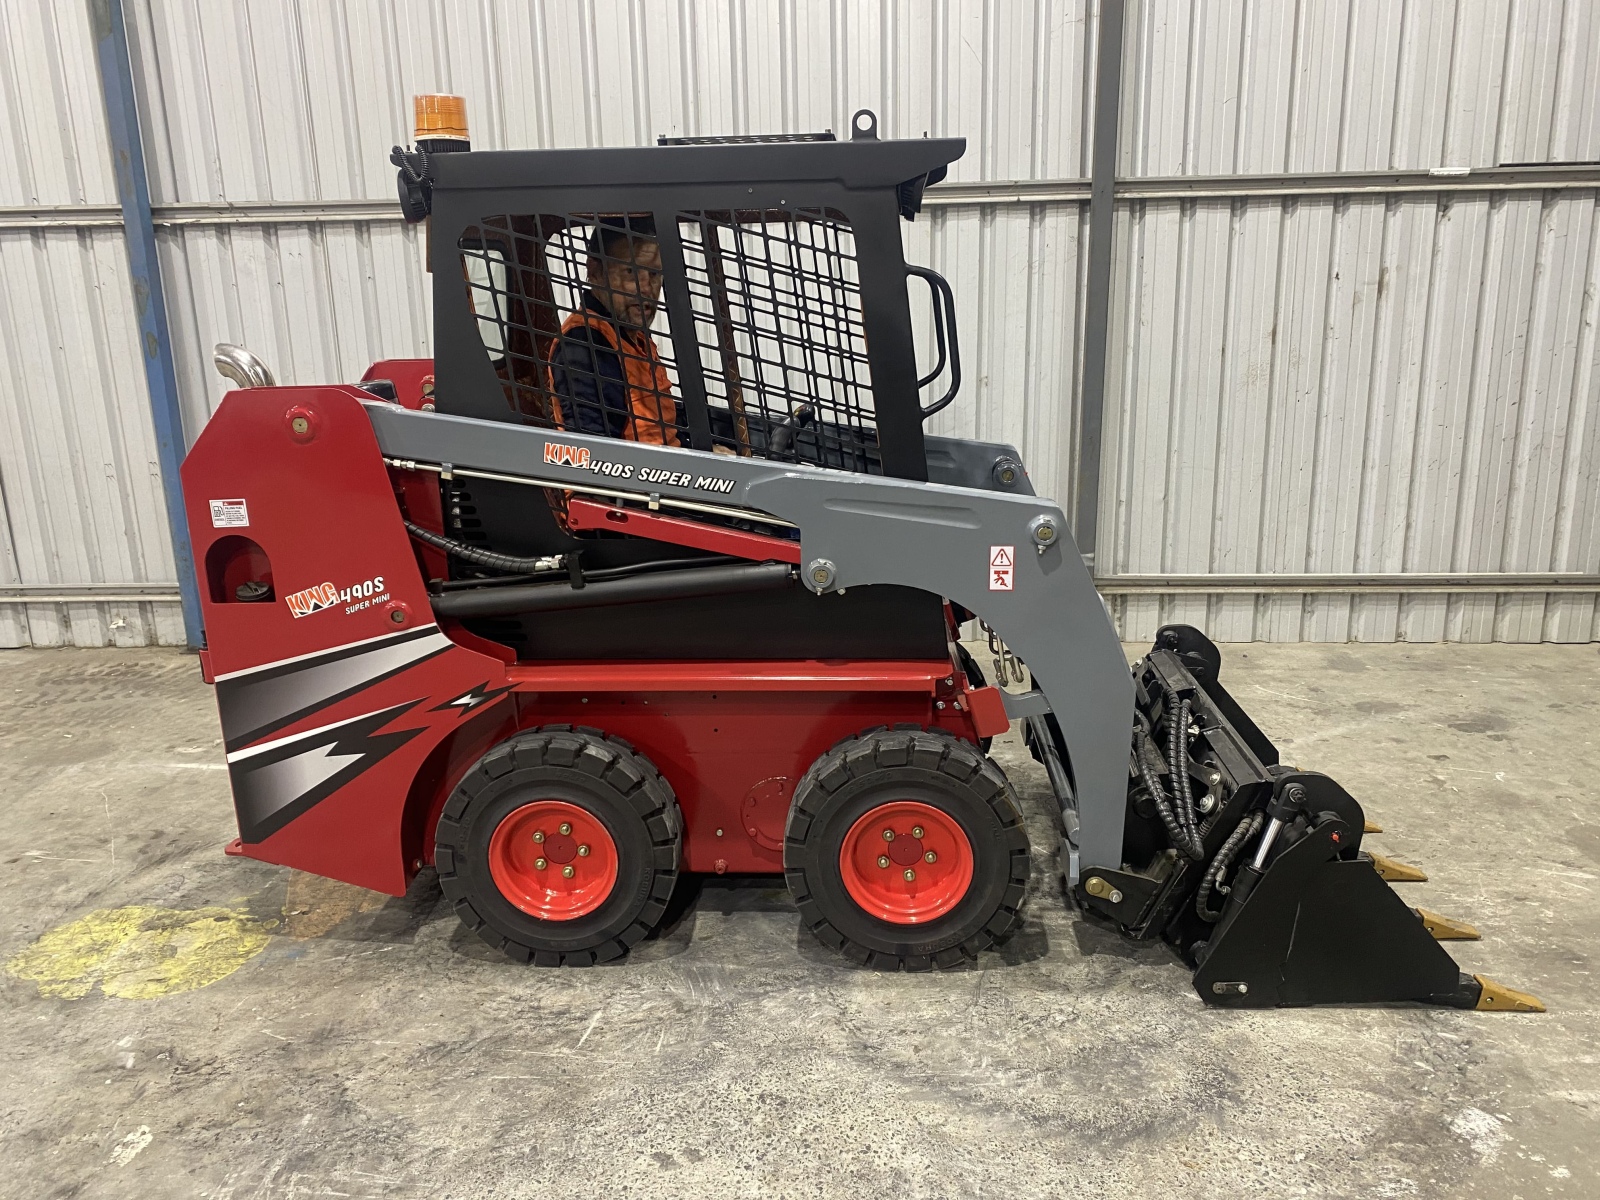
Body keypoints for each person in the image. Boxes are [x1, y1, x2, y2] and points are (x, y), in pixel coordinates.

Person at [547, 216, 686, 446]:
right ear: (595, 271)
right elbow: (597, 453)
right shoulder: (585, 345)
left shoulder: (634, 336)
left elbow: (658, 426)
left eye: (654, 274)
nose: (646, 289)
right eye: (631, 272)